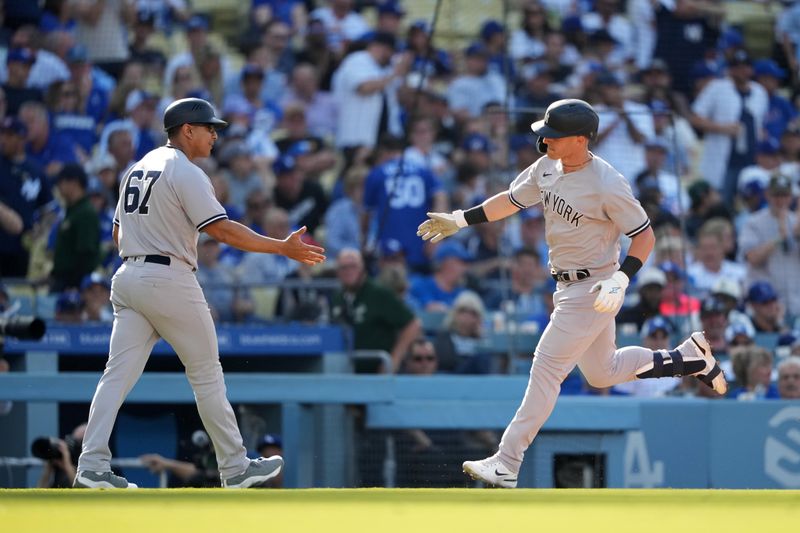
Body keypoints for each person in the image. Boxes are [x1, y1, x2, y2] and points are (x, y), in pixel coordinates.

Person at [417, 98, 726, 488]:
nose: (545, 141)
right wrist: (460, 219)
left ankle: (507, 461)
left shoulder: (607, 182)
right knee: (602, 372)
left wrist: (623, 278)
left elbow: (644, 235)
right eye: (544, 133)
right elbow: (511, 201)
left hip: (595, 286)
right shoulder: (548, 165)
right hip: (565, 284)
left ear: (580, 139)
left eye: (554, 136)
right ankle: (687, 358)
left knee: (546, 368)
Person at [74, 98, 325, 490]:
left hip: (128, 276)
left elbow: (118, 234)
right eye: (209, 128)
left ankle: (90, 466)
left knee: (115, 377)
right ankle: (235, 467)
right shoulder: (184, 171)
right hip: (168, 277)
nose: (214, 134)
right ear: (186, 130)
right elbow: (221, 230)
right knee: (206, 374)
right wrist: (281, 247)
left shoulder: (137, 169)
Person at [330, 248, 421, 373]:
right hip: (345, 369)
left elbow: (412, 325)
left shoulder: (378, 293)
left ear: (362, 268)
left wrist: (394, 360)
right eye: (344, 267)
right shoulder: (338, 297)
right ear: (337, 272)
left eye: (353, 266)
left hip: (377, 370)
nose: (349, 271)